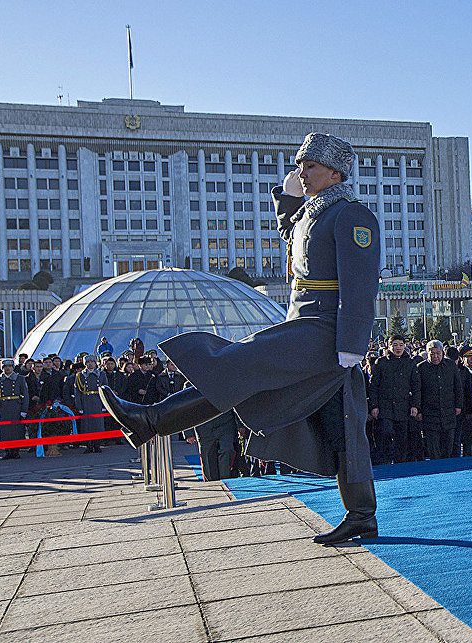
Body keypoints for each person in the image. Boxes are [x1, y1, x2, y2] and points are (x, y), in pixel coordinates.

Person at [100, 133, 381, 545]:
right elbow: (291, 230)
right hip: (305, 322)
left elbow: (360, 283)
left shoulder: (351, 216)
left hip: (326, 330)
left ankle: (152, 420)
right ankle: (362, 516)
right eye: (299, 165)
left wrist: (353, 343)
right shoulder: (315, 212)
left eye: (311, 167)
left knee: (236, 365)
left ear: (336, 173)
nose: (301, 173)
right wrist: (287, 196)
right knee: (343, 425)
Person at [409, 340, 462, 460]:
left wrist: (458, 405)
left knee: (448, 447)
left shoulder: (450, 365)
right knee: (433, 449)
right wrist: (419, 409)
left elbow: (458, 387)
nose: (435, 356)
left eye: (438, 353)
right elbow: (417, 390)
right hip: (429, 414)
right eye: (432, 353)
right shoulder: (421, 368)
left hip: (448, 412)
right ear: (427, 353)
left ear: (442, 352)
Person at [368, 335, 417, 464]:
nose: (398, 348)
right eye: (395, 345)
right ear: (389, 346)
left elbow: (416, 386)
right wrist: (374, 406)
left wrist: (415, 406)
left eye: (401, 344)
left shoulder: (410, 363)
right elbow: (373, 386)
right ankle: (385, 462)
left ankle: (400, 464)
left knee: (402, 439)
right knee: (385, 433)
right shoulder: (381, 363)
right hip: (385, 407)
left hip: (403, 407)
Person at [72, 355, 109, 454]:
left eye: (92, 361)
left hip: (98, 400)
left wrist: (105, 405)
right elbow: (77, 392)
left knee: (98, 424)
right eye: (88, 362)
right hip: (86, 400)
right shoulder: (80, 375)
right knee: (87, 425)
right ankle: (88, 445)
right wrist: (79, 406)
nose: (90, 364)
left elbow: (106, 390)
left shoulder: (101, 374)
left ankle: (97, 445)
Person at [0, 359, 29, 459]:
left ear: (13, 367)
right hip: (3, 407)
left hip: (16, 406)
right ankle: (7, 451)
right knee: (5, 430)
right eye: (5, 367)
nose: (7, 368)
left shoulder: (19, 378)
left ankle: (15, 451)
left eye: (10, 366)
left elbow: (25, 395)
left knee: (16, 429)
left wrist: (24, 410)